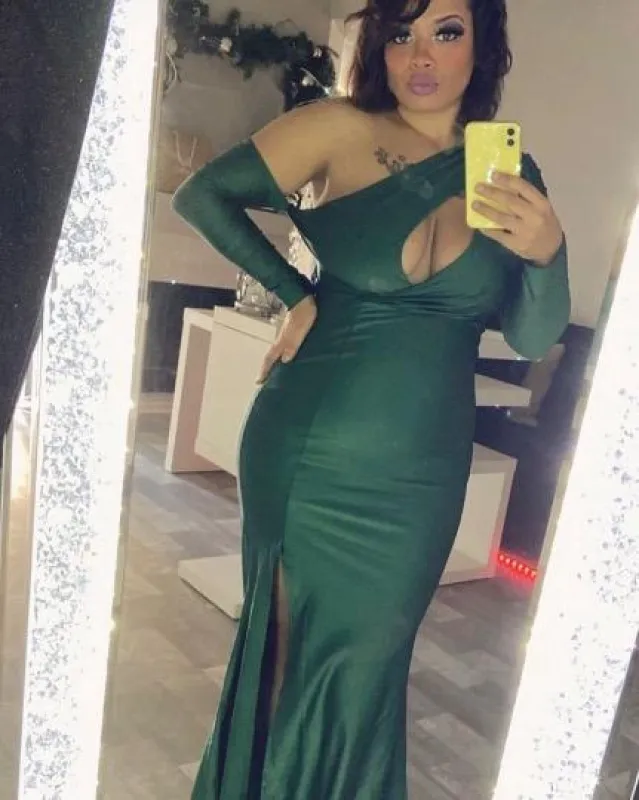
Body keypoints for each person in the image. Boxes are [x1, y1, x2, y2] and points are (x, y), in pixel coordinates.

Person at [173, 0, 570, 797]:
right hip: (308, 449)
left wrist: (547, 252)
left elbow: (533, 336)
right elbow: (204, 195)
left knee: (368, 668)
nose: (420, 56)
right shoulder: (338, 129)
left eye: (445, 32)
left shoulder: (508, 175)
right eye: (400, 35)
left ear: (482, 46)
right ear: (379, 48)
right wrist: (295, 293)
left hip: (419, 475)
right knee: (286, 658)